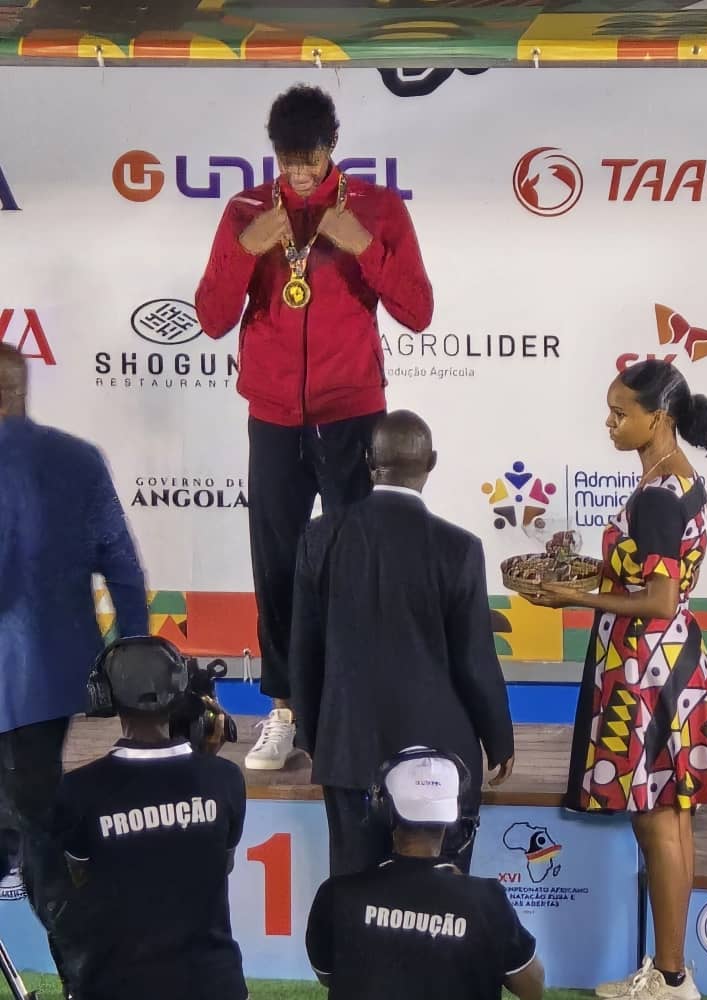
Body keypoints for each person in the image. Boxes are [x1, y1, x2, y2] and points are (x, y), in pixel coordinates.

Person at [196, 84, 433, 771]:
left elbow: (418, 310)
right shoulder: (246, 212)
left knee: (357, 563)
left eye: (311, 158)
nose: (299, 173)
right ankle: (285, 708)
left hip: (352, 412)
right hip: (273, 416)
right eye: (287, 159)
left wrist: (364, 247)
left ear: (333, 146)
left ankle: (360, 706)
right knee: (276, 565)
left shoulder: (376, 209)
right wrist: (246, 250)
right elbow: (211, 318)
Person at [527, 360, 707, 1000]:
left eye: (621, 413)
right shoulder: (676, 477)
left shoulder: (659, 494)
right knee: (673, 820)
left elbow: (659, 600)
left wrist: (574, 598)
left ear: (657, 418)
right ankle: (672, 975)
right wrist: (590, 570)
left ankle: (669, 978)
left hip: (646, 670)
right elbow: (647, 576)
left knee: (658, 823)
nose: (609, 424)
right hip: (671, 664)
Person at [290, 410, 514, 877]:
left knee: (355, 897)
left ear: (369, 461)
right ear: (431, 463)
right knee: (441, 899)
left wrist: (312, 736)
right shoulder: (460, 548)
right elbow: (474, 660)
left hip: (349, 752)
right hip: (441, 760)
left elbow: (305, 653)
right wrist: (498, 739)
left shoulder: (319, 537)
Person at [0, 344, 148, 966]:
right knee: (38, 830)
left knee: (35, 834)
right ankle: (82, 970)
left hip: (29, 681)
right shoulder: (79, 460)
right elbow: (124, 569)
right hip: (50, 685)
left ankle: (84, 966)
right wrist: (135, 668)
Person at [51, 636, 248, 1000]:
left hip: (116, 986)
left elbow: (79, 880)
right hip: (214, 984)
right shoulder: (226, 779)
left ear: (104, 696)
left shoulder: (77, 790)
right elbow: (219, 865)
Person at [305, 747, 544, 1000]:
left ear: (382, 810)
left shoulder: (336, 894)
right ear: (456, 816)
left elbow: (327, 975)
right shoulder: (489, 900)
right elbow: (532, 984)